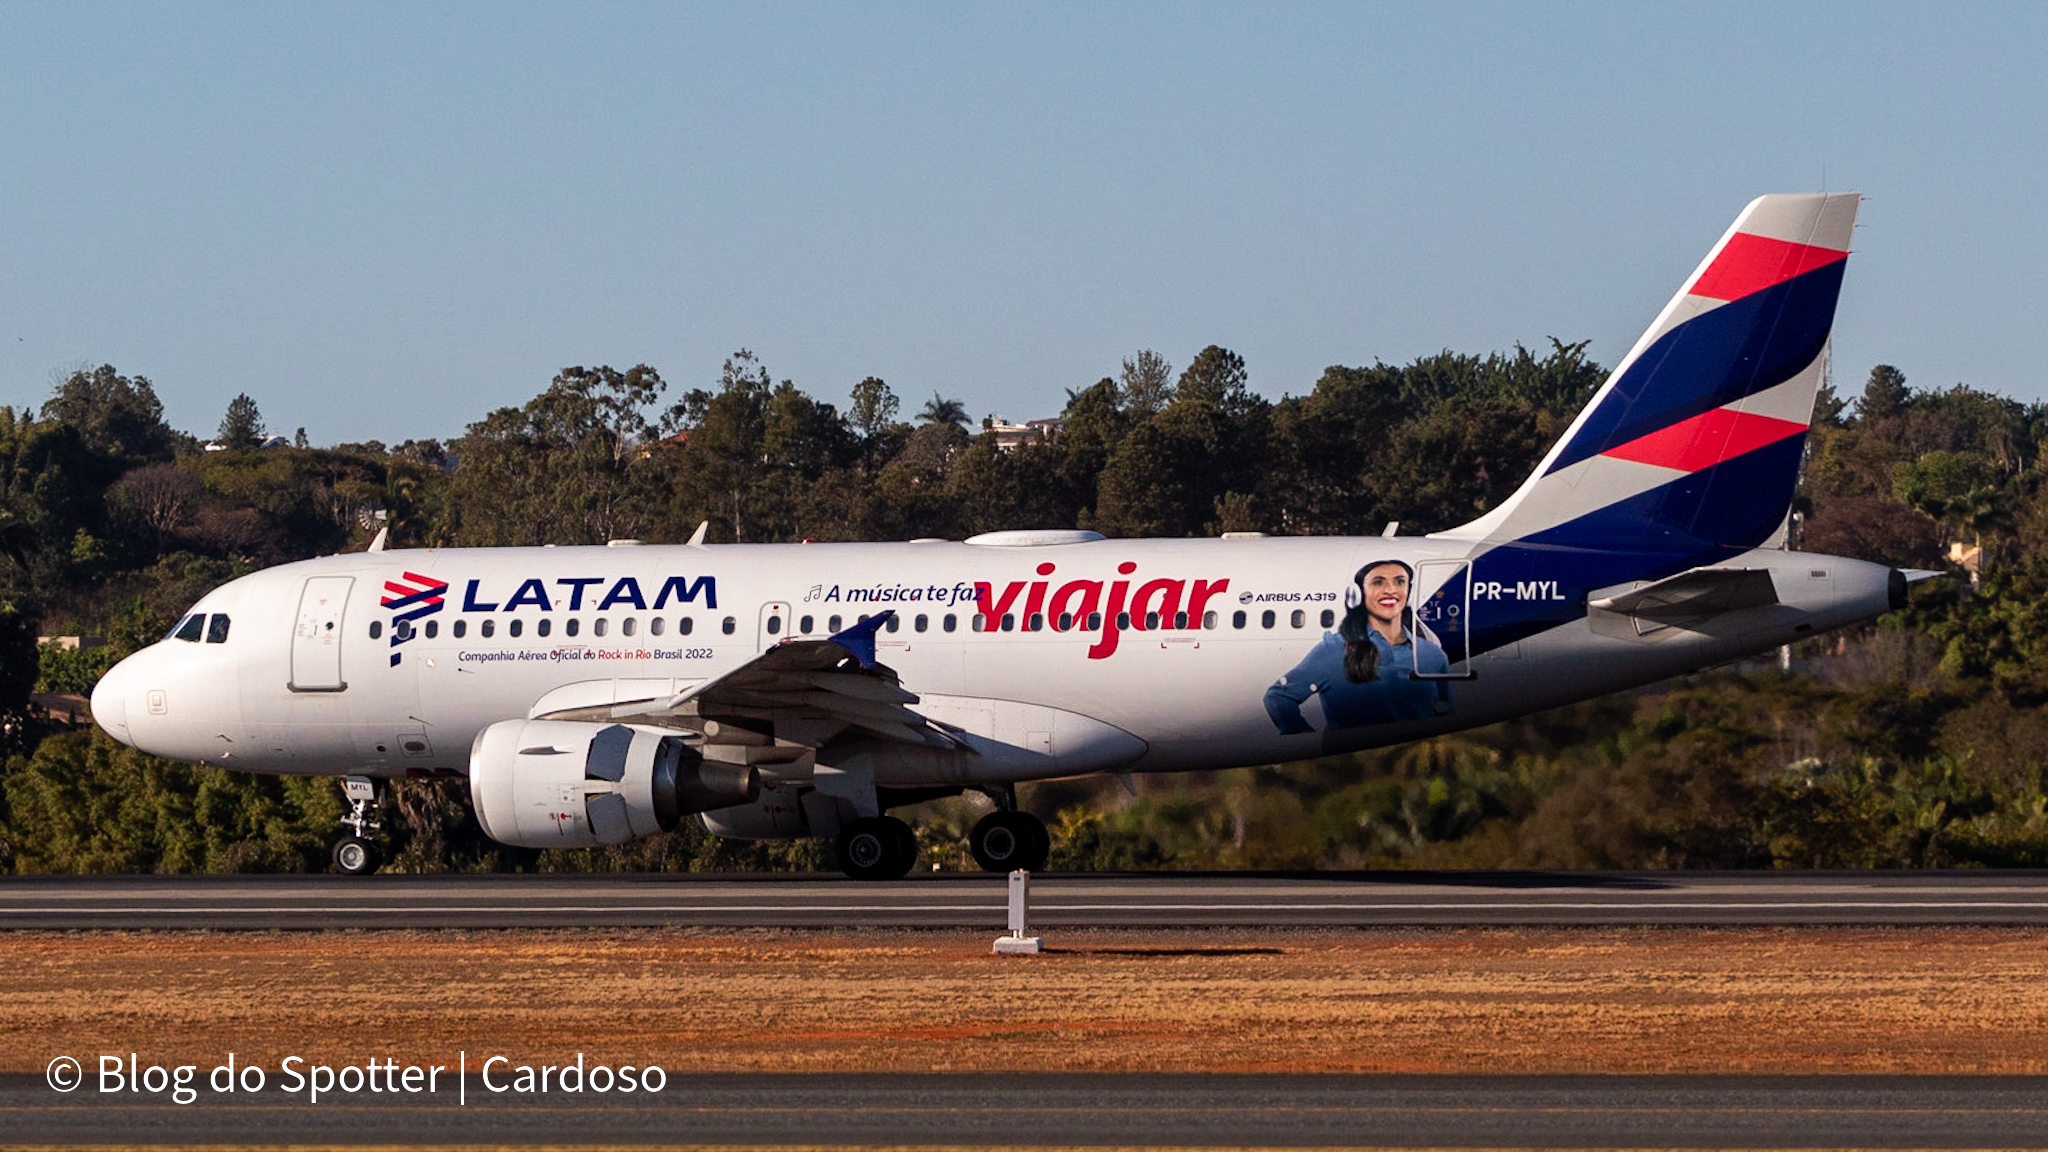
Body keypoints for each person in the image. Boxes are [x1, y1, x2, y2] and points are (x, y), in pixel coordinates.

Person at [1264, 559, 1452, 735]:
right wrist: (1309, 741)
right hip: (1352, 766)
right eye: (1378, 582)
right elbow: (1278, 696)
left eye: (1399, 582)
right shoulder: (1335, 650)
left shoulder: (1432, 655)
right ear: (1357, 594)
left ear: (1409, 593)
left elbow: (1446, 717)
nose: (1391, 590)